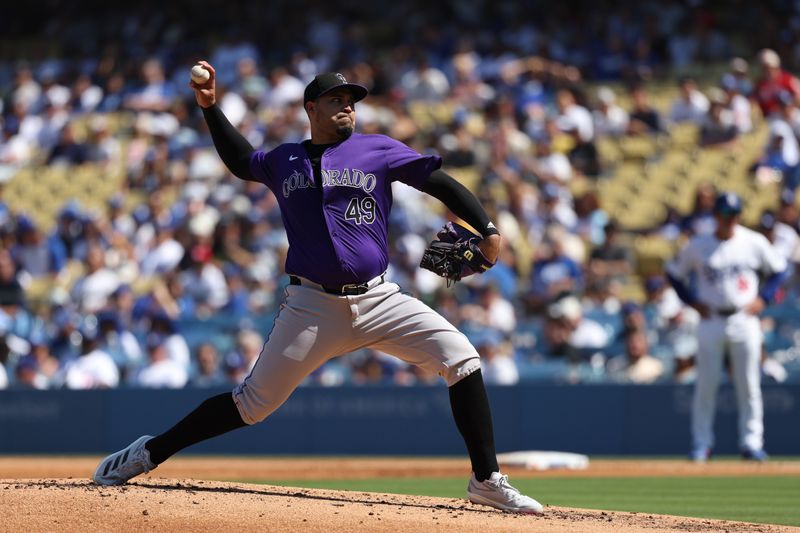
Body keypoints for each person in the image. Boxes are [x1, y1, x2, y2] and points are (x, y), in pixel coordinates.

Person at [92, 63, 543, 514]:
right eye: (336, 100)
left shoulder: (377, 150)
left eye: (352, 101)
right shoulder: (283, 159)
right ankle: (148, 453)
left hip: (380, 298)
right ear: (311, 107)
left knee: (461, 358)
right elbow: (240, 161)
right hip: (311, 306)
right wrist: (209, 107)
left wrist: (485, 227)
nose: (347, 107)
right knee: (252, 405)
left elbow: (438, 181)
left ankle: (486, 480)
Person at [666, 192, 789, 462]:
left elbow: (781, 270)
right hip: (710, 319)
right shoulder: (699, 245)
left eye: (733, 214)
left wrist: (764, 298)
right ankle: (701, 444)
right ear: (715, 216)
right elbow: (674, 274)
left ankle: (751, 442)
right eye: (724, 214)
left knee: (748, 384)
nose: (729, 219)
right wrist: (692, 302)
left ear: (739, 216)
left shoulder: (752, 241)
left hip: (744, 318)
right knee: (706, 385)